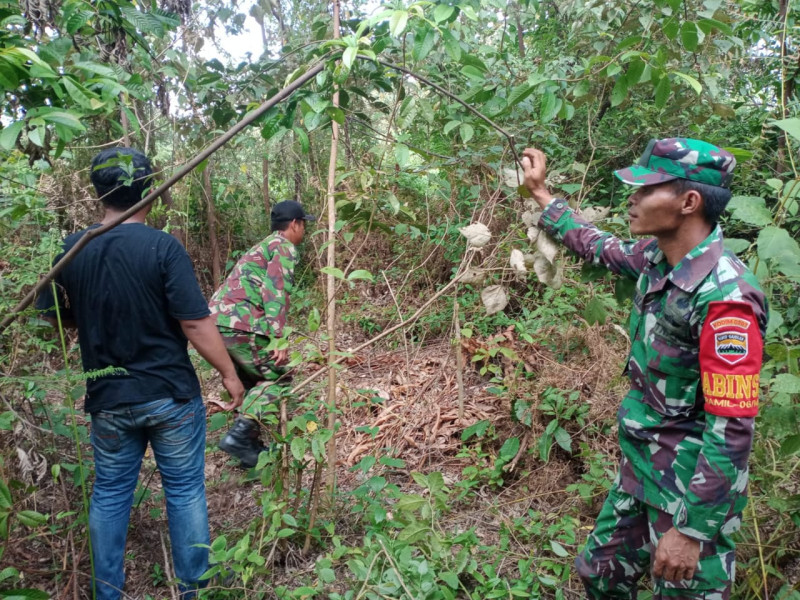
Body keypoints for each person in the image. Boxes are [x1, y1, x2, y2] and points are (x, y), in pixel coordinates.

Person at [521, 138, 767, 599]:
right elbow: (599, 247)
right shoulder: (657, 260)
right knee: (600, 575)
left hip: (689, 489)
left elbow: (732, 426)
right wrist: (542, 194)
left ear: (688, 202)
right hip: (642, 466)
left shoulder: (725, 300)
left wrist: (692, 532)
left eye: (645, 190)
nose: (630, 200)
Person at [36, 147, 245, 599]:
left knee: (110, 494)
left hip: (108, 400)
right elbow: (193, 323)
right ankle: (195, 589)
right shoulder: (162, 246)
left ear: (98, 193)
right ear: (149, 190)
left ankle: (106, 592)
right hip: (170, 395)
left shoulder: (72, 249)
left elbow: (53, 316)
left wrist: (90, 316)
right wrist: (229, 373)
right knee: (186, 490)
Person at [209, 199, 315, 468]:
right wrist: (279, 338)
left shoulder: (264, 246)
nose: (304, 231)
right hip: (241, 324)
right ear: (295, 224)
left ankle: (251, 454)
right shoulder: (283, 247)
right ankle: (239, 439)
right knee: (279, 379)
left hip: (218, 324)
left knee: (254, 383)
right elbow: (274, 292)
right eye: (304, 225)